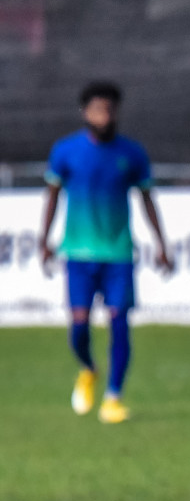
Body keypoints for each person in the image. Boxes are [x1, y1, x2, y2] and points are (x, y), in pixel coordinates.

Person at [40, 81, 173, 423]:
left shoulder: (132, 154)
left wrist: (161, 244)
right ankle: (88, 369)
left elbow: (146, 199)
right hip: (80, 255)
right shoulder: (65, 151)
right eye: (98, 109)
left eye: (110, 109)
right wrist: (44, 239)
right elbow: (53, 196)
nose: (104, 115)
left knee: (119, 322)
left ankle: (113, 398)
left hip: (118, 254)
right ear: (85, 112)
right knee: (79, 327)